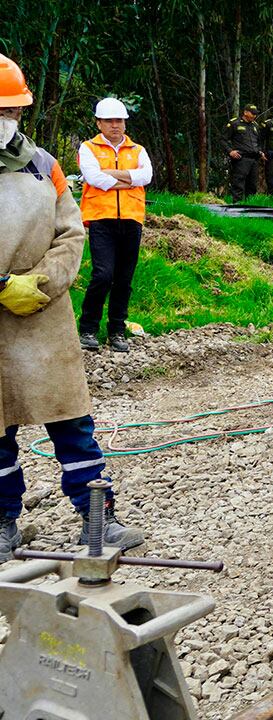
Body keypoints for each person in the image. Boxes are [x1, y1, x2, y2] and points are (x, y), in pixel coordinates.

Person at [0, 54, 144, 560]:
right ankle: (3, 525)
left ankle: (97, 519)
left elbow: (71, 233)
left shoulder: (43, 165)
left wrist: (39, 282)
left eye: (12, 112)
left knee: (71, 421)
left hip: (43, 314)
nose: (6, 121)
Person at [76, 97, 152, 353]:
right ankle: (88, 328)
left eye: (118, 120)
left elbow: (147, 176)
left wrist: (111, 175)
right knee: (103, 275)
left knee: (124, 278)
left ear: (125, 123)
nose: (115, 125)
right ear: (99, 123)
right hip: (101, 219)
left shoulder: (138, 150)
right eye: (108, 121)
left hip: (131, 219)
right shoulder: (88, 148)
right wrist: (130, 179)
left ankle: (117, 330)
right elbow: (93, 178)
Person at [225, 103, 264, 201]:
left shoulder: (255, 125)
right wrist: (230, 151)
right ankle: (236, 206)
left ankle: (250, 206)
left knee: (252, 185)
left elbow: (258, 141)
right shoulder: (234, 123)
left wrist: (260, 151)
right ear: (245, 112)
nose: (254, 116)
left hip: (254, 159)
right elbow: (223, 139)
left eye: (255, 114)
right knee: (238, 183)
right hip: (241, 158)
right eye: (252, 113)